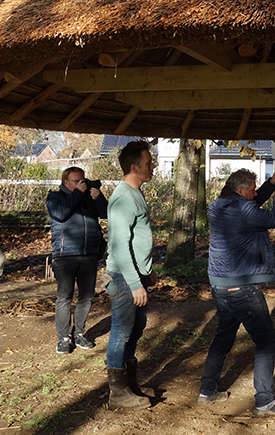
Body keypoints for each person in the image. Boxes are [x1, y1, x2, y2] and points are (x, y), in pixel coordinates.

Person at [198, 168, 275, 417]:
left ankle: (207, 391)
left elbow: (250, 204)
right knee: (265, 342)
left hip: (220, 284)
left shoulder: (220, 203)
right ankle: (265, 401)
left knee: (223, 336)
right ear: (240, 190)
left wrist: (270, 184)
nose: (254, 193)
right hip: (242, 286)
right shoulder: (243, 209)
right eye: (252, 188)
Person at [105, 140, 157, 409]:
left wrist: (147, 272)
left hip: (135, 274)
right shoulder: (123, 198)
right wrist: (136, 283)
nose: (153, 166)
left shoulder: (135, 193)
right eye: (149, 163)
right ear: (134, 167)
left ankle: (129, 382)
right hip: (124, 277)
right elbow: (120, 246)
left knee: (135, 328)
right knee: (122, 331)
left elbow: (137, 239)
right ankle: (118, 393)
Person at [46, 167, 107, 354]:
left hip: (89, 253)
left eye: (82, 180)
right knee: (64, 297)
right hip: (65, 255)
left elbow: (105, 213)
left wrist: (99, 198)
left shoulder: (87, 196)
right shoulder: (55, 198)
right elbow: (61, 214)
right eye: (76, 180)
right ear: (66, 182)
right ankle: (63, 338)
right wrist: (77, 193)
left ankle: (79, 333)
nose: (81, 183)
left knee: (86, 297)